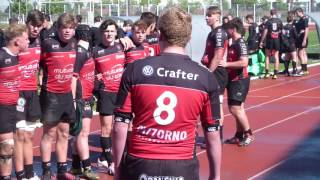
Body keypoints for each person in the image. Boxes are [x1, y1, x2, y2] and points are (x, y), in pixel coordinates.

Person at [112, 7, 222, 180]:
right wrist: (215, 176)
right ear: (188, 38)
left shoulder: (135, 70)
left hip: (141, 162)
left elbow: (120, 126)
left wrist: (118, 172)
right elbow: (213, 133)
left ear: (160, 34)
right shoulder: (206, 77)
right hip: (182, 165)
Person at [39, 13, 78, 180]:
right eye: (64, 28)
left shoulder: (75, 44)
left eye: (70, 28)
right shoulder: (47, 43)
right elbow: (37, 64)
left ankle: (62, 171)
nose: (67, 31)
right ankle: (47, 171)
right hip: (50, 95)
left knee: (64, 133)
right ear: (58, 28)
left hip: (67, 95)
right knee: (50, 134)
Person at [92, 19, 126, 176]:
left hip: (123, 93)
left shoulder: (123, 45)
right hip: (106, 94)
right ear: (101, 33)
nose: (109, 34)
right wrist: (96, 80)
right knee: (106, 129)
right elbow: (89, 73)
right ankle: (111, 162)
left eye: (112, 31)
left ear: (116, 32)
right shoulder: (95, 51)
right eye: (106, 31)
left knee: (121, 128)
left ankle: (108, 157)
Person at [14, 9, 44, 180]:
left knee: (30, 135)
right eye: (33, 25)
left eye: (39, 26)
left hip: (32, 92)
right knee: (20, 135)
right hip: (17, 93)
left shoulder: (42, 39)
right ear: (27, 23)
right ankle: (20, 174)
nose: (35, 29)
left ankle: (30, 173)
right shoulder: (16, 40)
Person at [69, 24, 99, 180]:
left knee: (79, 134)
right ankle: (87, 168)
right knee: (83, 134)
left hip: (87, 95)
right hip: (81, 98)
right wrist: (74, 100)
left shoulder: (86, 50)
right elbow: (73, 78)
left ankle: (75, 166)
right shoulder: (80, 52)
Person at [0, 23, 29, 180]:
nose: (28, 41)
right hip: (2, 107)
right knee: (7, 146)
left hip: (15, 106)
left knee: (14, 142)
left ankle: (17, 174)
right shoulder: (2, 56)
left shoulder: (17, 57)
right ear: (17, 41)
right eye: (25, 38)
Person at [222, 18, 254, 146]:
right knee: (238, 108)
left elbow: (244, 62)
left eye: (228, 28)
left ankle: (249, 134)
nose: (226, 31)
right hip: (233, 79)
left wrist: (226, 64)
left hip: (239, 80)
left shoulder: (240, 43)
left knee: (235, 109)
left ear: (233, 29)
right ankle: (239, 135)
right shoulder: (234, 42)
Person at [201, 6, 228, 141]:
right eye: (206, 15)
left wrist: (209, 72)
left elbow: (218, 55)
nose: (207, 17)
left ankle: (218, 137)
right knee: (213, 104)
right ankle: (216, 136)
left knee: (216, 104)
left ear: (217, 16)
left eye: (210, 15)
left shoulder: (218, 33)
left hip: (217, 73)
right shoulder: (212, 32)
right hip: (214, 71)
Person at [259, 9, 283, 79]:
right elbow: (281, 30)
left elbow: (265, 32)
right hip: (277, 40)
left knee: (267, 56)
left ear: (270, 14)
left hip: (269, 40)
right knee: (276, 56)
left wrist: (261, 41)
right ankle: (275, 74)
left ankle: (267, 73)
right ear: (276, 13)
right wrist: (277, 33)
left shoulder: (268, 21)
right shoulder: (279, 21)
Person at [281, 11, 299, 76]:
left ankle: (286, 71)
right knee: (294, 57)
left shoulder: (284, 27)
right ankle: (294, 71)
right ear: (292, 19)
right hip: (292, 44)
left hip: (285, 44)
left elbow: (282, 35)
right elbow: (296, 36)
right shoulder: (292, 27)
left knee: (286, 58)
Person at [295, 7, 309, 76]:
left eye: (297, 12)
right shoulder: (300, 19)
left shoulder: (304, 19)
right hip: (301, 38)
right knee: (303, 53)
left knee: (300, 54)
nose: (296, 14)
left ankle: (304, 70)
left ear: (300, 12)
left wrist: (304, 40)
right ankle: (305, 69)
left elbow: (306, 29)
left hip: (302, 38)